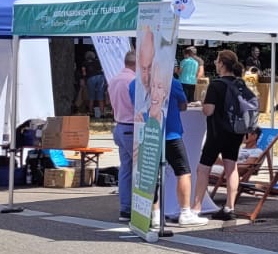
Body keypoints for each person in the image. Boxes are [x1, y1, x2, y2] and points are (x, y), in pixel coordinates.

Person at [131, 65, 204, 227]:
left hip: (148, 134)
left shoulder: (134, 84)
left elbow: (135, 106)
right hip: (171, 134)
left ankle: (154, 213)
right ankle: (185, 212)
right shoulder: (173, 83)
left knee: (151, 174)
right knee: (183, 171)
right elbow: (183, 105)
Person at [195, 49, 247, 221]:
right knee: (231, 168)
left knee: (203, 168)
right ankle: (229, 207)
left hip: (217, 132)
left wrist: (203, 103)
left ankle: (195, 208)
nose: (215, 64)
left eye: (217, 61)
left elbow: (208, 111)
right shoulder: (241, 84)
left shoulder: (216, 85)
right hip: (236, 132)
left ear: (223, 64)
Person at [107, 50, 137, 221]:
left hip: (119, 125)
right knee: (140, 168)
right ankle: (141, 207)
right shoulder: (133, 81)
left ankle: (125, 208)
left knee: (125, 169)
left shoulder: (114, 79)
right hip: (132, 126)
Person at [82, 49, 107, 118]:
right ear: (93, 56)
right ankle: (102, 114)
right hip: (100, 77)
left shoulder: (84, 63)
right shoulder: (98, 61)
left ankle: (91, 113)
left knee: (91, 97)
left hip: (91, 78)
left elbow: (84, 73)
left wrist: (84, 79)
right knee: (100, 96)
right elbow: (103, 70)